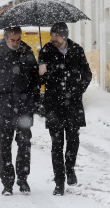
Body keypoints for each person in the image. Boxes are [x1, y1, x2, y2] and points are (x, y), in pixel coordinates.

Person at [0, 27, 40, 196]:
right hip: (2, 109)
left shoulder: (27, 54)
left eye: (18, 39)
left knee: (24, 146)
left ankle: (23, 180)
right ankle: (7, 184)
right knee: (4, 148)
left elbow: (35, 80)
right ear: (5, 38)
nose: (15, 43)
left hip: (24, 108)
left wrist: (33, 100)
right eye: (12, 40)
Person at [38, 22, 92, 196]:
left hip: (73, 104)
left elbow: (87, 73)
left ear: (64, 36)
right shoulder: (46, 51)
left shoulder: (76, 50)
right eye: (51, 35)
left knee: (73, 140)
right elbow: (40, 80)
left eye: (56, 36)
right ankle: (59, 182)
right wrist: (41, 73)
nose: (53, 39)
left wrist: (79, 89)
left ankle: (70, 169)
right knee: (56, 144)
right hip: (54, 104)